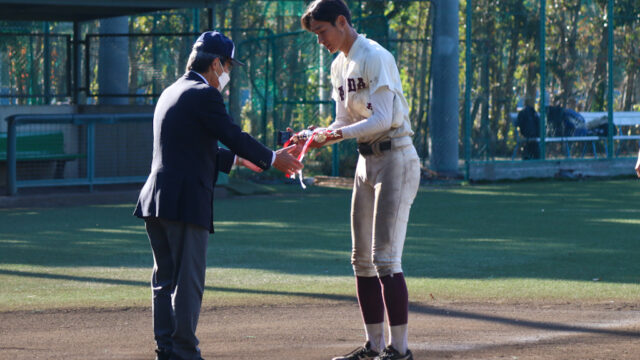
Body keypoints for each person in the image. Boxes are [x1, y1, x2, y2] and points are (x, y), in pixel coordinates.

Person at [133, 31, 303, 360]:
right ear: (215, 63)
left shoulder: (173, 90)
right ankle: (184, 352)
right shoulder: (204, 94)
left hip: (156, 199)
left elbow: (191, 144)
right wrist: (271, 158)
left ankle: (167, 349)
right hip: (184, 202)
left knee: (164, 279)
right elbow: (230, 133)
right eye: (228, 66)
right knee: (188, 281)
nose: (228, 73)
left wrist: (241, 159)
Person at [297, 1, 421, 359]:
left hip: (396, 155)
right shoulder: (338, 65)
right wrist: (316, 133)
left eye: (322, 31)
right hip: (366, 162)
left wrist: (335, 136)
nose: (319, 39)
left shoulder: (374, 55)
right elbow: (341, 120)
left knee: (385, 258)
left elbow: (382, 119)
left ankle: (399, 351)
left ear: (341, 22)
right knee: (361, 260)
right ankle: (374, 346)